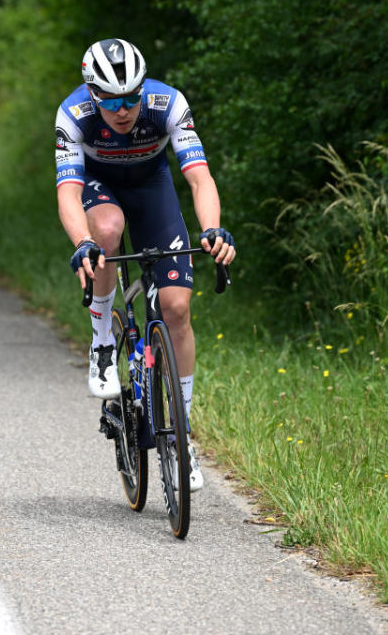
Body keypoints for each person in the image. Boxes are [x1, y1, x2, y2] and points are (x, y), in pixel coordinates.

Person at [55, 38, 236, 491]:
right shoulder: (73, 116)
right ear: (93, 95)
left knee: (176, 309)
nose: (123, 109)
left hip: (153, 187)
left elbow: (199, 176)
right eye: (111, 101)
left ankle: (181, 436)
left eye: (131, 97)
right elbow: (68, 193)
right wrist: (82, 242)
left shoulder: (168, 103)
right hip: (100, 187)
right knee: (109, 231)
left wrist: (212, 229)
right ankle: (100, 346)